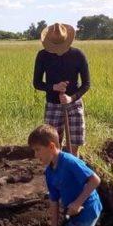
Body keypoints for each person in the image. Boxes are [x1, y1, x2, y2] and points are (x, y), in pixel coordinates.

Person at [28, 124, 102, 226]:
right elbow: (54, 201)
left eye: (38, 150)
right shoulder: (49, 172)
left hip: (87, 210)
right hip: (71, 212)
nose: (36, 155)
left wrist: (78, 202)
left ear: (51, 146)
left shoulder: (69, 161)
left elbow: (95, 180)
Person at [33, 23, 91, 156]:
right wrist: (54, 87)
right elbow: (37, 83)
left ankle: (71, 171)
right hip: (53, 106)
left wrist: (71, 98)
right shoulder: (42, 56)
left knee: (74, 146)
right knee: (53, 146)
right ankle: (56, 172)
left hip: (74, 105)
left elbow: (86, 83)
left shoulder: (78, 55)